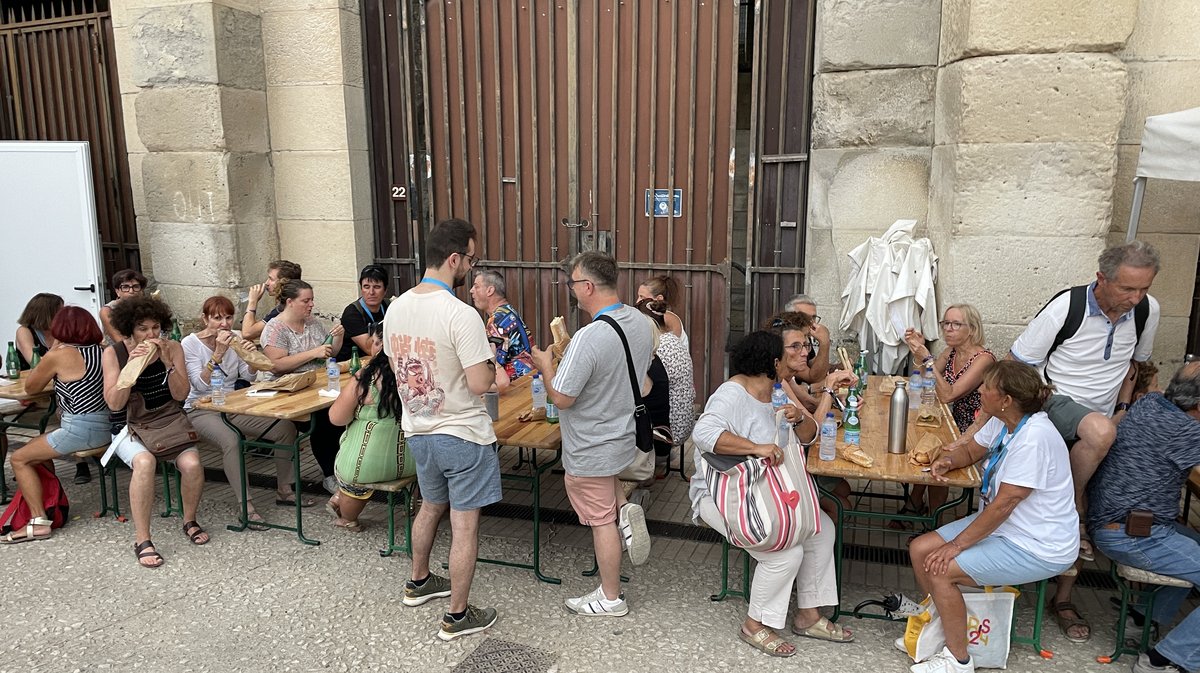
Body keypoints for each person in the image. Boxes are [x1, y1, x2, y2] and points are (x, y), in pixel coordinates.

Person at [955, 240, 1158, 643]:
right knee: (1094, 448)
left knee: (1096, 478)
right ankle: (1072, 501)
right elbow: (1013, 365)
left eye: (1144, 289)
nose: (1135, 298)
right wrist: (978, 428)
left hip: (1101, 419)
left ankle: (1063, 597)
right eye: (1126, 289)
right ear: (1102, 278)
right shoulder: (1068, 307)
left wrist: (1124, 408)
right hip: (1057, 403)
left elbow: (1138, 367)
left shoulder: (1147, 311)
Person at [908, 361, 1079, 673]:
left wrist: (955, 546)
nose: (981, 391)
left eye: (987, 387)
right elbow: (971, 451)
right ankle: (939, 632)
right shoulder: (1005, 420)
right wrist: (947, 460)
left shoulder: (1035, 437)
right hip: (1008, 527)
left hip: (1038, 545)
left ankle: (958, 659)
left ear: (1006, 400)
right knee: (920, 550)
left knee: (940, 569)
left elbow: (1004, 505)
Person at [689, 330, 849, 656]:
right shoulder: (732, 394)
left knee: (821, 528)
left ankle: (808, 615)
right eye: (793, 350)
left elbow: (808, 436)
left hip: (768, 492)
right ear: (773, 362)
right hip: (722, 494)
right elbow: (703, 433)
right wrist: (755, 447)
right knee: (786, 555)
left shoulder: (778, 391)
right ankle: (754, 625)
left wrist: (798, 418)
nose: (803, 354)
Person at [383, 218, 502, 641]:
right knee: (465, 524)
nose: (471, 267)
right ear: (454, 258)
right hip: (462, 433)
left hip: (419, 428)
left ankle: (419, 582)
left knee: (431, 506)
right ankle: (457, 615)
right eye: (471, 259)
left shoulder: (395, 307)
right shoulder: (460, 313)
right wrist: (491, 365)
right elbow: (478, 384)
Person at [530, 252, 656, 617]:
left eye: (573, 283)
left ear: (587, 287)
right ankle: (627, 514)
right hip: (621, 434)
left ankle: (611, 597)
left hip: (591, 443)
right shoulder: (639, 321)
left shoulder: (590, 336)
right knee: (609, 495)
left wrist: (547, 364)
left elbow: (562, 398)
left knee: (600, 522)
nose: (571, 290)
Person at [1088, 363, 1200, 673]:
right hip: (1133, 534)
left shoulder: (1151, 403)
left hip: (1116, 522)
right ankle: (1165, 659)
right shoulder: (1187, 431)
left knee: (1193, 546)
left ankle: (1141, 618)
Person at [101, 296, 210, 568]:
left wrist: (167, 362)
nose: (150, 334)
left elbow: (182, 394)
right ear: (130, 330)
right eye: (143, 329)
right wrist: (131, 368)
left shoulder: (172, 347)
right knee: (144, 462)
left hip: (168, 420)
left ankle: (189, 520)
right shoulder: (114, 353)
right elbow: (114, 403)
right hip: (129, 426)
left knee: (193, 463)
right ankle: (142, 539)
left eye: (155, 327)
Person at [182, 296, 304, 528]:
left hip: (231, 404)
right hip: (200, 409)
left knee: (285, 428)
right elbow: (197, 385)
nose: (224, 323)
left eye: (228, 317)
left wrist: (250, 357)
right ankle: (245, 505)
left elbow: (246, 377)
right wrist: (217, 353)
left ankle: (284, 490)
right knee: (232, 440)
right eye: (217, 318)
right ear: (205, 319)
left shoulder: (235, 338)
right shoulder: (190, 344)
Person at [0, 307, 108, 543]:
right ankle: (49, 503)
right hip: (107, 424)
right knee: (36, 451)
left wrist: (51, 352)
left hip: (80, 428)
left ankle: (38, 521)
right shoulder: (103, 351)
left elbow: (31, 388)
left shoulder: (59, 355)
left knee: (19, 458)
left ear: (60, 329)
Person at [899, 304, 996, 526]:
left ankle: (935, 522)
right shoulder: (950, 352)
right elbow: (924, 378)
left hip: (973, 428)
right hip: (948, 420)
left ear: (971, 329)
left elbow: (948, 395)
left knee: (936, 451)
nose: (948, 329)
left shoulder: (983, 359)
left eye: (955, 324)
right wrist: (918, 352)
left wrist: (928, 360)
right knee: (918, 440)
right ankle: (916, 502)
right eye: (945, 324)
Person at [260, 279, 345, 494]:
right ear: (290, 302)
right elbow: (276, 365)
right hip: (287, 391)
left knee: (345, 410)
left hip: (315, 385)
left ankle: (343, 468)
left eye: (312, 300)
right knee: (325, 419)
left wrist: (337, 339)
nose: (311, 305)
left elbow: (329, 353)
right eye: (306, 301)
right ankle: (330, 474)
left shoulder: (313, 323)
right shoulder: (275, 328)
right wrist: (312, 353)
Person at [769, 312, 858, 516]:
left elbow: (809, 403)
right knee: (842, 505)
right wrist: (828, 388)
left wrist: (840, 403)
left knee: (844, 490)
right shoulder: (777, 383)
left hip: (797, 455)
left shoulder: (787, 376)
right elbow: (812, 431)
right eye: (796, 346)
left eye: (807, 345)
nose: (805, 352)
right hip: (790, 465)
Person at [326, 333, 414, 530]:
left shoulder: (366, 378)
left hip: (364, 466)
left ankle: (347, 517)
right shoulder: (419, 373)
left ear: (382, 345)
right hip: (412, 462)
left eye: (374, 342)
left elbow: (336, 418)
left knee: (352, 461)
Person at [635, 297, 696, 478]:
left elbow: (644, 391)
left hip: (668, 430)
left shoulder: (656, 348)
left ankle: (642, 469)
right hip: (684, 421)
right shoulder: (674, 341)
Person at [469, 269, 534, 391]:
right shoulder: (507, 311)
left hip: (516, 389)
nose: (471, 290)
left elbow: (492, 368)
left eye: (476, 287)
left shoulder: (497, 321)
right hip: (527, 382)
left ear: (490, 290)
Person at [335, 264, 391, 361]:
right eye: (366, 287)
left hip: (377, 360)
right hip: (351, 365)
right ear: (361, 289)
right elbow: (370, 349)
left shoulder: (389, 306)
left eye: (377, 287)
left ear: (385, 290)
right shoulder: (352, 313)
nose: (371, 292)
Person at [241, 260, 302, 341]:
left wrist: (252, 301)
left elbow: (247, 333)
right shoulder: (292, 303)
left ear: (283, 282)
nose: (266, 283)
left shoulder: (284, 308)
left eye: (271, 279)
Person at [783, 294, 831, 384]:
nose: (811, 323)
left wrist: (838, 367)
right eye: (804, 317)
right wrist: (825, 343)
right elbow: (814, 378)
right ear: (790, 317)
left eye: (813, 317)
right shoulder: (784, 338)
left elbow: (814, 364)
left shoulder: (805, 338)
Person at [637, 274, 689, 351]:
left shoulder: (667, 317)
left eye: (642, 297)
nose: (638, 301)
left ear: (659, 299)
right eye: (638, 296)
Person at [14, 293, 62, 369]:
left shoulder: (60, 329)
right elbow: (35, 362)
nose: (64, 315)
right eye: (60, 312)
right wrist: (57, 341)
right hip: (29, 378)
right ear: (46, 315)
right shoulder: (24, 331)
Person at [99, 268, 146, 346]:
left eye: (136, 287)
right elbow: (119, 339)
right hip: (118, 351)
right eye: (125, 287)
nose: (131, 291)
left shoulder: (147, 307)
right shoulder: (108, 310)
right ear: (117, 291)